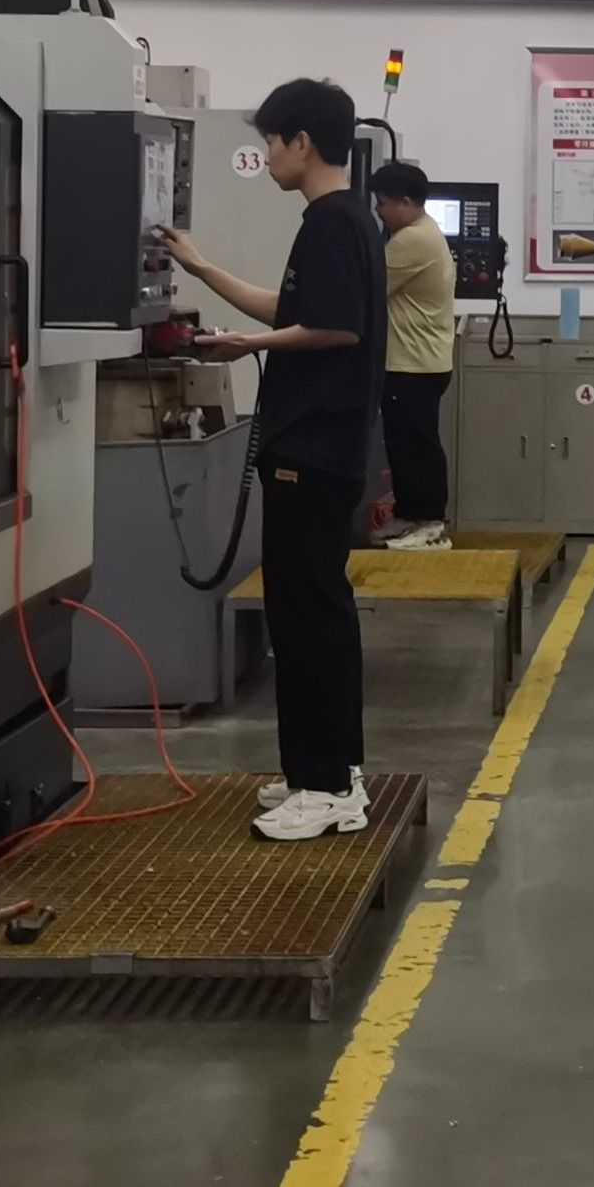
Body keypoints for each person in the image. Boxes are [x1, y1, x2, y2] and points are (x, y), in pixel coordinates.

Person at [162, 78, 386, 842]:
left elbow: (336, 328)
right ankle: (327, 769)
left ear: (302, 143)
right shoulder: (345, 220)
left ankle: (326, 787)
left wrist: (246, 346)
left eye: (271, 142)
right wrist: (202, 269)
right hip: (320, 449)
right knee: (311, 613)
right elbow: (296, 311)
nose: (267, 157)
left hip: (313, 450)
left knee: (307, 618)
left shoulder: (333, 223)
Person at [366, 161, 457, 551]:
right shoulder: (423, 231)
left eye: (382, 203)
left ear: (406, 202)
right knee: (404, 445)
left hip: (414, 364)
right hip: (417, 362)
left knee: (417, 447)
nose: (378, 211)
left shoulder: (412, 240)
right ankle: (408, 516)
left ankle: (430, 523)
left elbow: (366, 286)